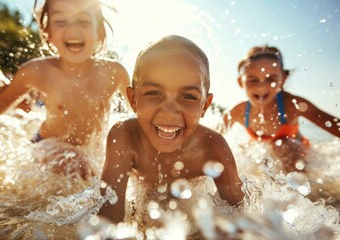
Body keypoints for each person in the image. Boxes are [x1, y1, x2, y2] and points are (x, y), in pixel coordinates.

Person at [98, 35, 244, 235]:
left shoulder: (214, 148)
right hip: (141, 206)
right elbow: (108, 222)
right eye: (154, 92)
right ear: (133, 99)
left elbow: (240, 217)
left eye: (188, 96)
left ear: (205, 106)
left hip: (191, 214)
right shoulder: (124, 137)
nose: (169, 111)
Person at [0, 0, 130, 179]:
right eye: (60, 21)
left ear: (98, 31)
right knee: (76, 163)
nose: (73, 30)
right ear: (48, 32)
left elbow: (142, 114)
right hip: (46, 147)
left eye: (83, 21)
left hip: (90, 155)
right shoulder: (37, 71)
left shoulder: (114, 73)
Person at [223, 45, 340, 173]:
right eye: (253, 80)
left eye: (270, 79)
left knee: (285, 147)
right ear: (241, 82)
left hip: (296, 151)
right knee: (239, 152)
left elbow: (333, 124)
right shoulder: (239, 111)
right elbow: (213, 135)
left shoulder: (291, 104)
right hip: (261, 151)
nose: (262, 87)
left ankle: (303, 190)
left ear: (282, 80)